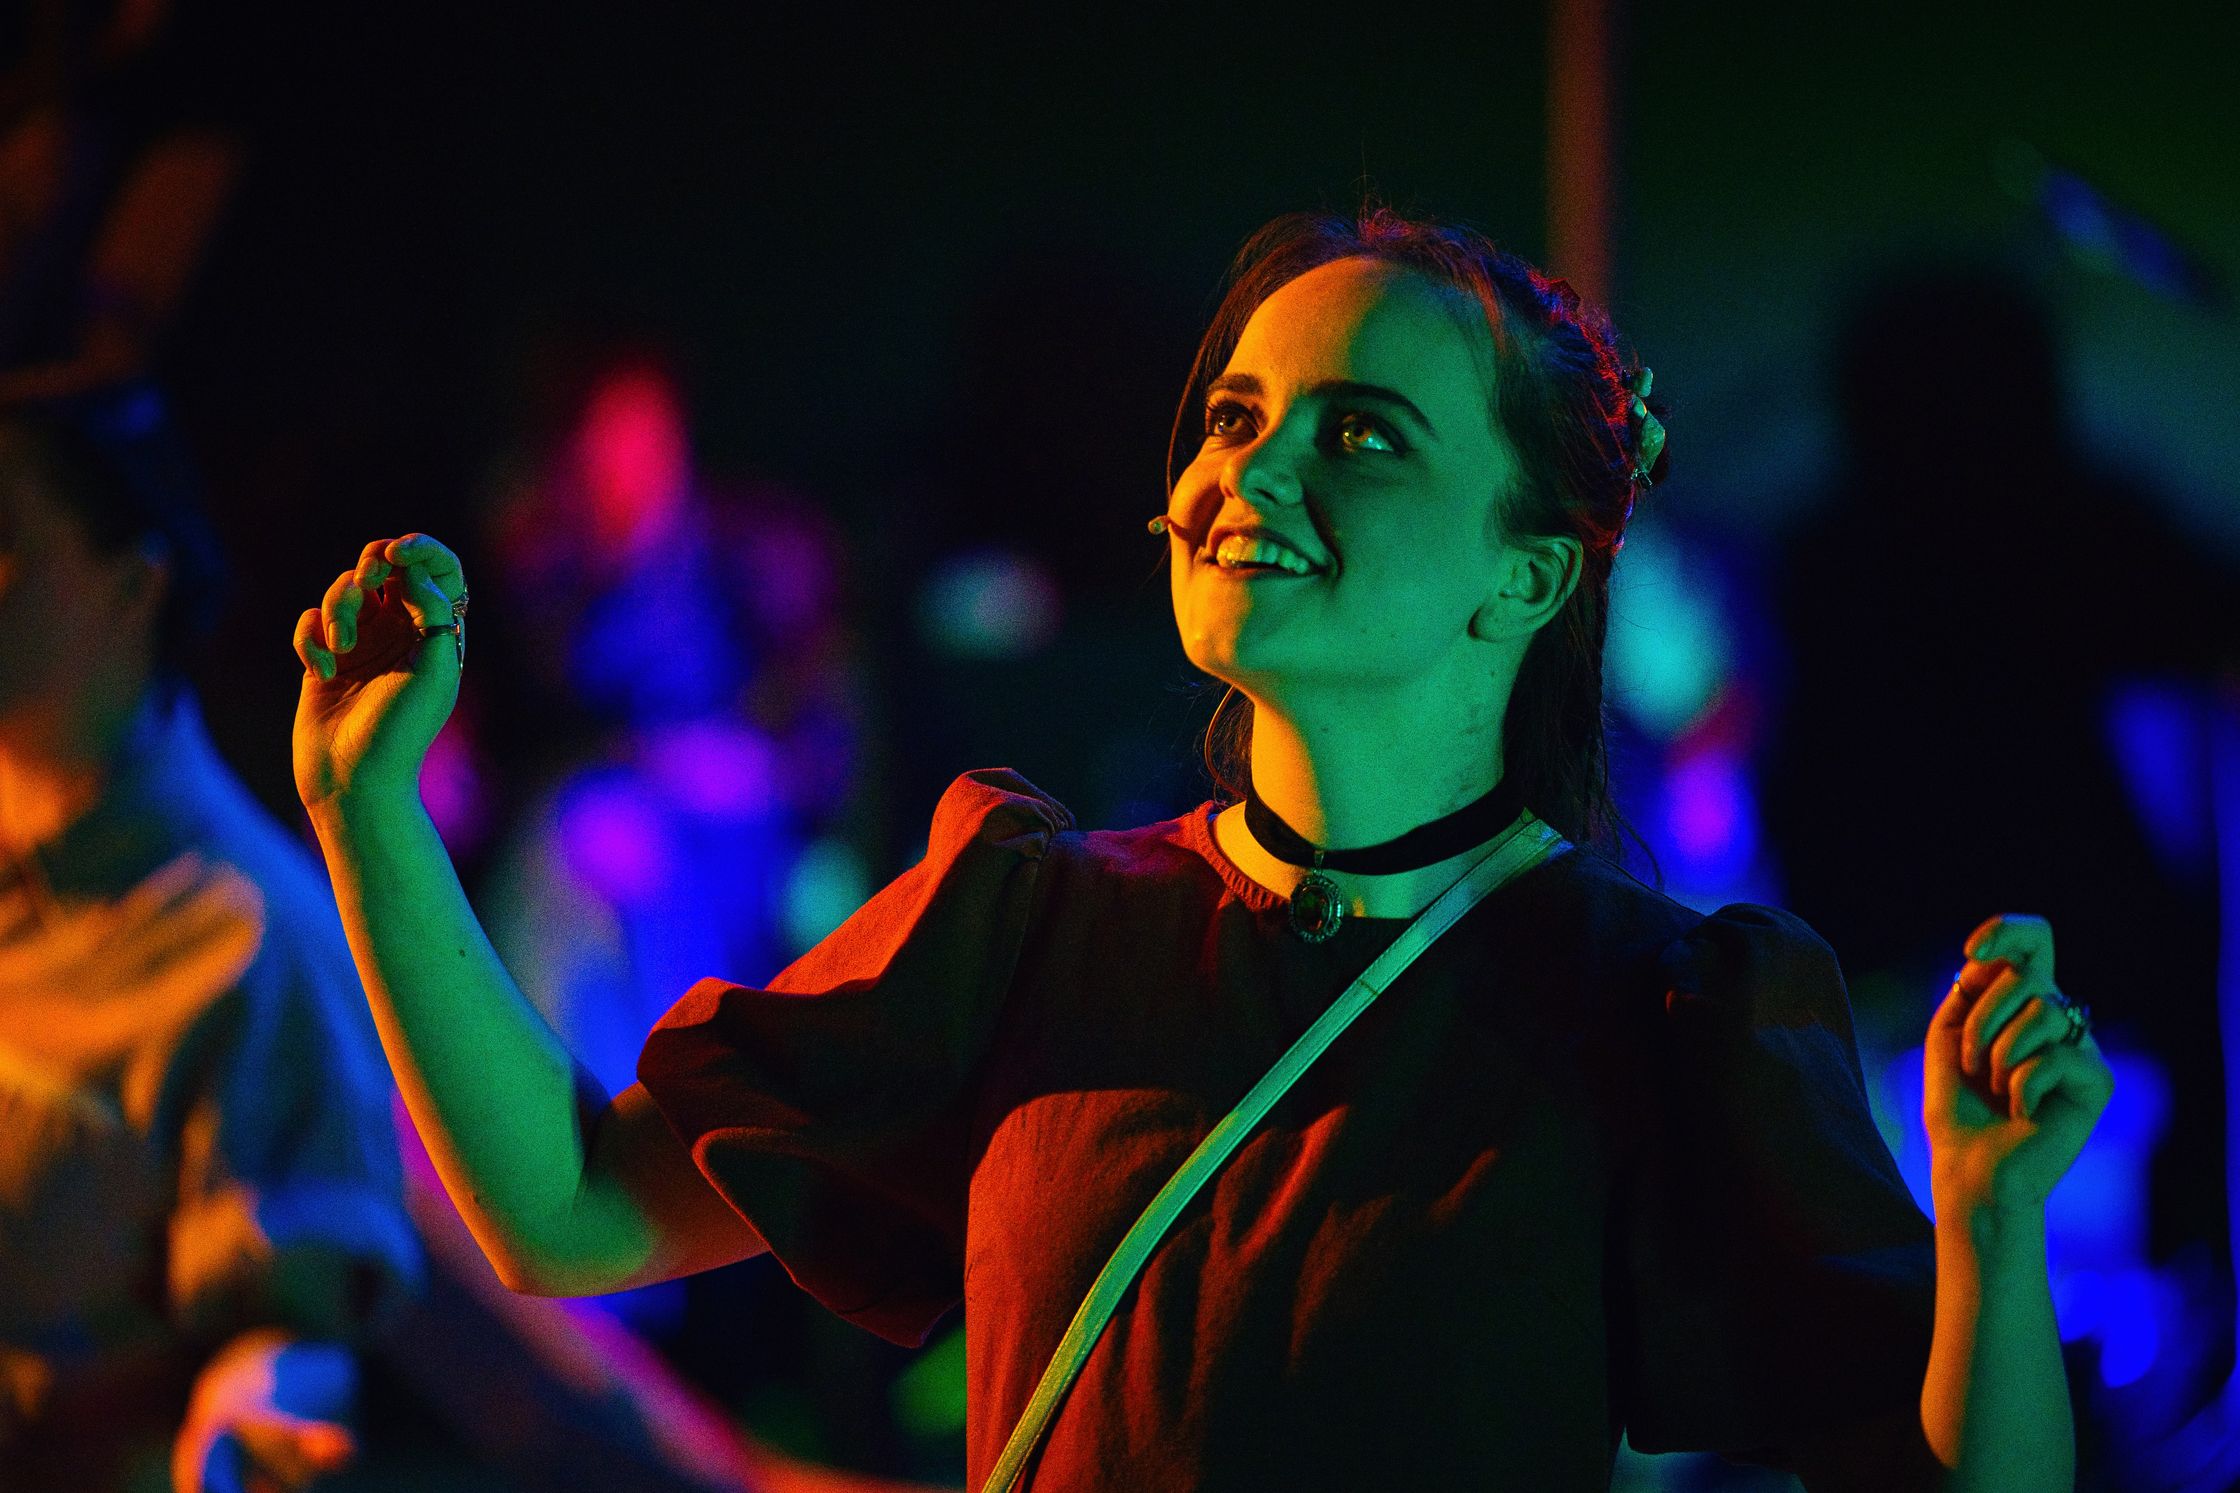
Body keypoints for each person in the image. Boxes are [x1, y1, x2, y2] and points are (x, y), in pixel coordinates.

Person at [289, 209, 2116, 1492]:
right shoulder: (1031, 918)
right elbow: (566, 1206)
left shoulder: (1657, 1007)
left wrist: (1992, 1220)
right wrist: (367, 815)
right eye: (1236, 414)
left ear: (1526, 577)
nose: (1250, 468)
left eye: (1361, 434)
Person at [0, 384, 420, 1491]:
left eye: (3, 544)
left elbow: (293, 1330)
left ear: (131, 588)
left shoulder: (250, 940)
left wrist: (258, 1406)